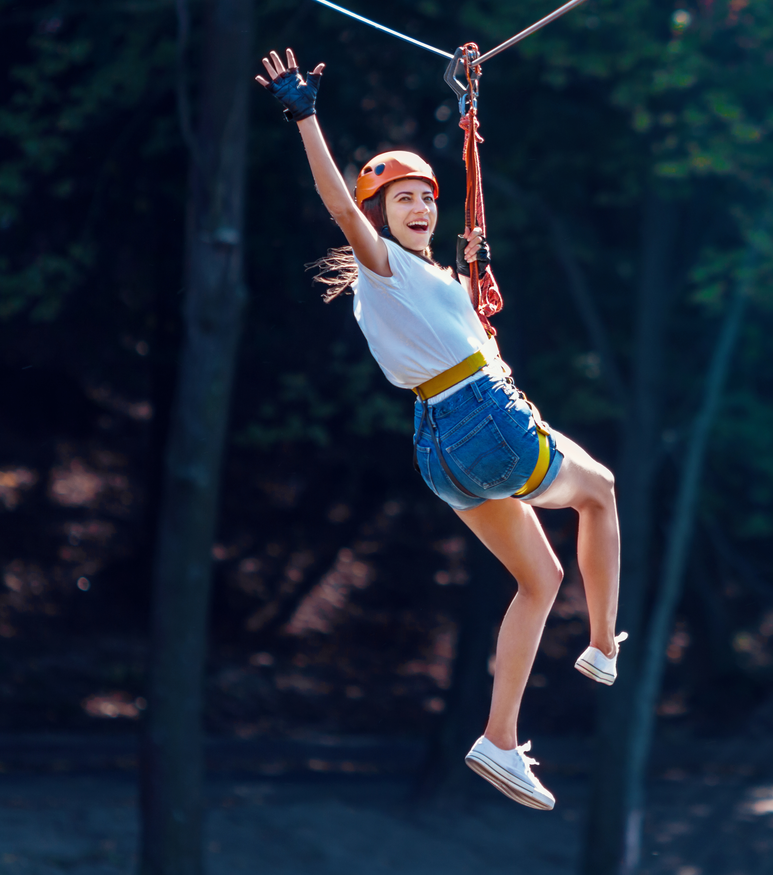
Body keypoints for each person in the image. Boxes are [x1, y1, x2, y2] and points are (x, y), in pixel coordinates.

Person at [255, 48, 624, 811]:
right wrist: (306, 118)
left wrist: (474, 289)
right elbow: (336, 204)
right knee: (602, 491)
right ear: (382, 218)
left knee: (541, 578)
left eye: (425, 195)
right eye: (401, 200)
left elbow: (465, 329)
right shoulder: (383, 266)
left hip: (439, 450)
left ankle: (497, 739)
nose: (419, 207)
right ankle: (600, 647)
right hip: (480, 422)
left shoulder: (440, 280)